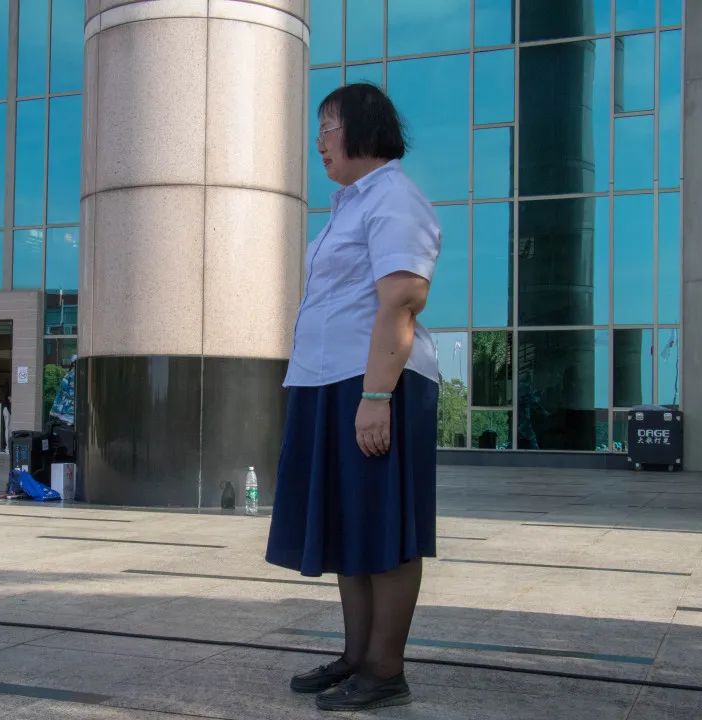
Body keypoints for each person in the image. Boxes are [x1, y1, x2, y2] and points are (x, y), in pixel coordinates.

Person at [265, 83, 441, 712]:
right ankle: (357, 656)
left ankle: (385, 670)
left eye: (328, 127)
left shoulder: (395, 198)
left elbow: (402, 299)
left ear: (364, 129)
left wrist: (374, 396)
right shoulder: (350, 206)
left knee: (384, 527)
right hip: (328, 381)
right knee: (349, 523)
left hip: (374, 382)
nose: (320, 142)